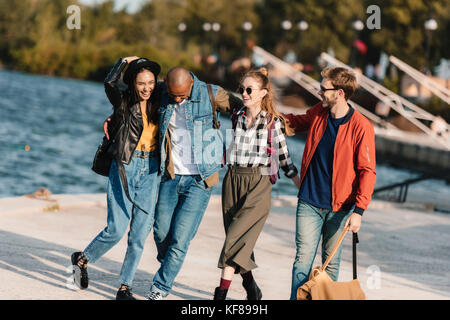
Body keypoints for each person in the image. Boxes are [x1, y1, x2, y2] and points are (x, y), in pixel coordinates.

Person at [71, 56, 162, 300]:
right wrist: (124, 60)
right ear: (132, 83)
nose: (146, 88)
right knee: (116, 229)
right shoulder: (122, 102)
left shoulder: (160, 102)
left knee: (140, 234)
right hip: (125, 166)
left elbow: (181, 86)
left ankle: (125, 288)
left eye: (151, 82)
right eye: (141, 83)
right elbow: (110, 82)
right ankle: (82, 259)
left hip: (152, 168)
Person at [283, 67, 376, 300]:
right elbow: (296, 122)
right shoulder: (319, 112)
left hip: (340, 208)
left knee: (331, 263)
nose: (320, 92)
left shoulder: (361, 127)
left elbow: (367, 171)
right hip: (309, 202)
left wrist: (359, 212)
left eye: (324, 89)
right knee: (302, 260)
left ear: (340, 93)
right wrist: (270, 117)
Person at [213, 68, 300, 300]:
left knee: (233, 238)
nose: (244, 93)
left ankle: (220, 296)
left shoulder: (273, 122)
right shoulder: (236, 115)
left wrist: (300, 185)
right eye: (241, 89)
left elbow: (284, 159)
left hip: (259, 183)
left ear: (263, 93)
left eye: (249, 90)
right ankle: (252, 287)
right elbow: (217, 96)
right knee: (239, 241)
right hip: (232, 180)